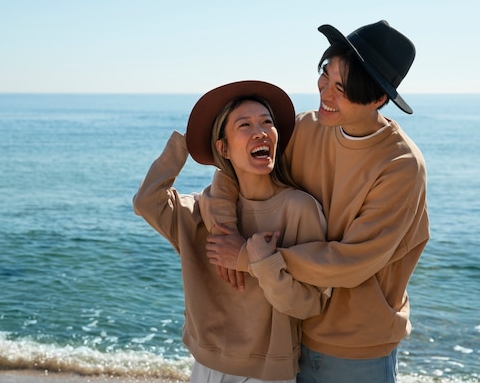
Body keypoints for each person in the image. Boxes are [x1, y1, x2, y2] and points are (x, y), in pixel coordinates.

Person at [202, 21, 430, 383]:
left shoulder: (400, 167)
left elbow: (351, 262)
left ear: (377, 99)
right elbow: (235, 168)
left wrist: (248, 256)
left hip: (353, 347)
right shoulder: (304, 129)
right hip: (287, 331)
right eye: (326, 76)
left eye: (342, 88)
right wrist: (225, 226)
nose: (326, 92)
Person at [133, 80, 329, 383]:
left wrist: (259, 263)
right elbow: (147, 201)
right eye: (245, 125)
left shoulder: (299, 209)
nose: (260, 131)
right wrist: (188, 141)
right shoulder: (202, 212)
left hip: (267, 372)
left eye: (267, 122)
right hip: (206, 364)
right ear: (222, 147)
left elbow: (309, 303)